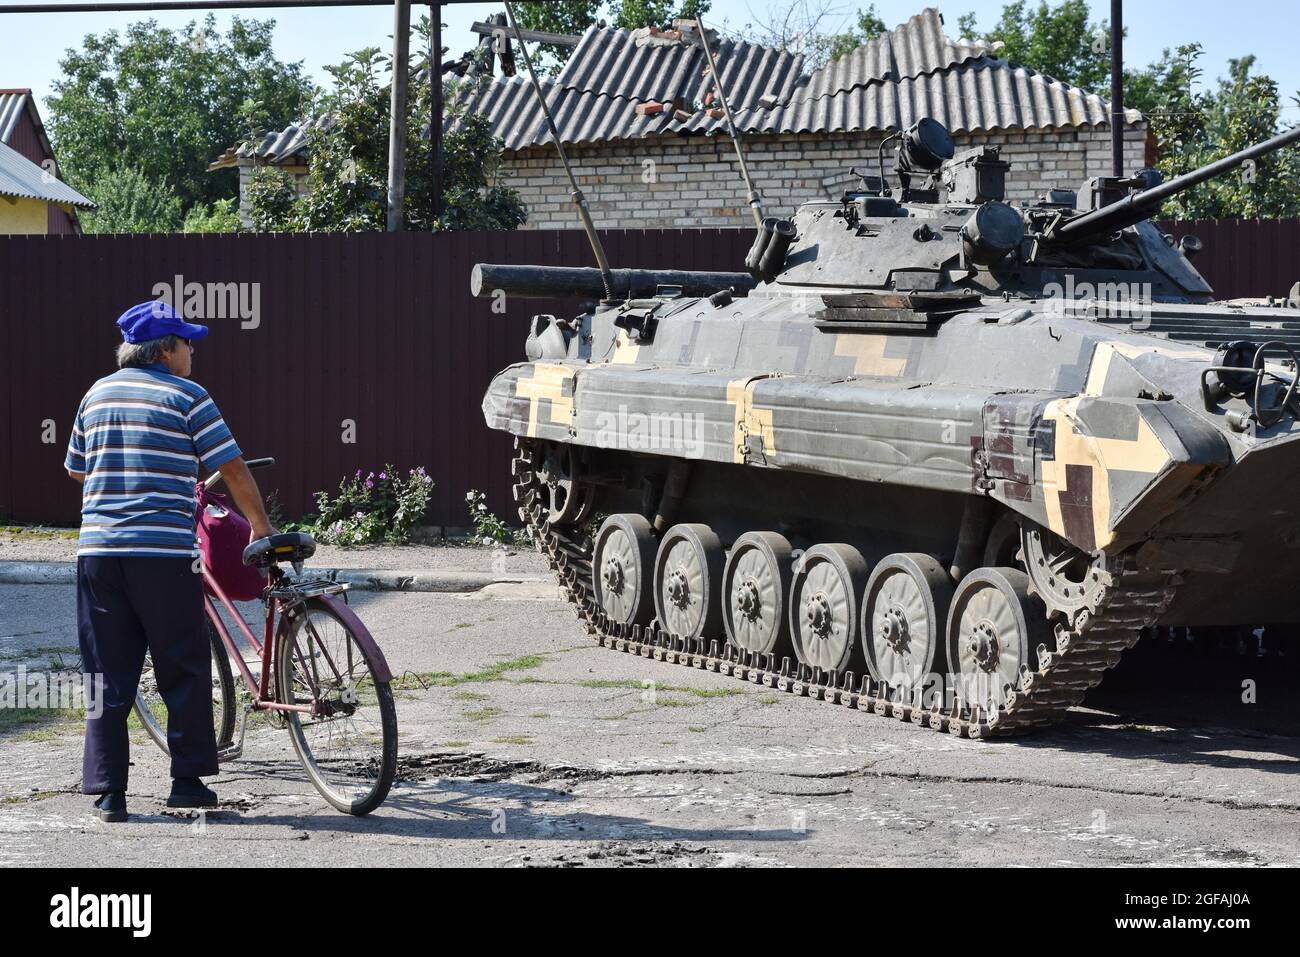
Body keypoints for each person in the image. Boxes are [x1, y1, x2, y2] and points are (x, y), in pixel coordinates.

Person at [65, 301, 274, 823]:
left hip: (99, 554)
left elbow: (76, 471)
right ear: (164, 351)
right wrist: (262, 528)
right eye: (186, 343)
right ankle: (187, 783)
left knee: (105, 674)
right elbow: (231, 466)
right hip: (162, 555)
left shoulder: (96, 393)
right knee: (181, 664)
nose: (192, 351)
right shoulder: (188, 396)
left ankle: (109, 793)